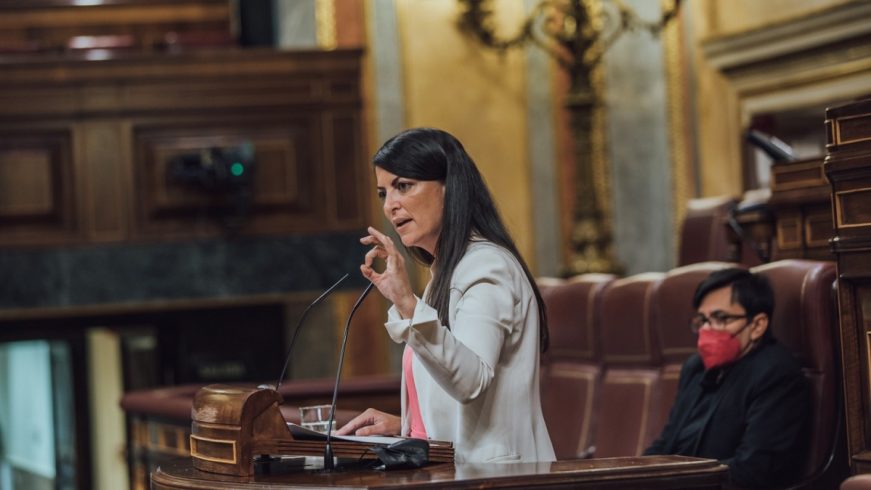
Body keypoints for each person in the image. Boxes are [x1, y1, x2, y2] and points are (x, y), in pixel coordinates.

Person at [335, 127, 555, 463]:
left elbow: (471, 381)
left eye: (403, 186)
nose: (391, 206)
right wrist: (407, 426)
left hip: (502, 478)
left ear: (449, 188)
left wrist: (406, 302)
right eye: (383, 193)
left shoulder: (486, 266)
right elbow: (452, 389)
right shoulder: (446, 270)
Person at [644, 268, 810, 488]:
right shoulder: (696, 367)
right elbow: (668, 442)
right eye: (702, 320)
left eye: (720, 318)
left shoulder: (776, 375)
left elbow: (752, 471)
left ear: (757, 325)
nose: (706, 330)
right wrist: (634, 474)